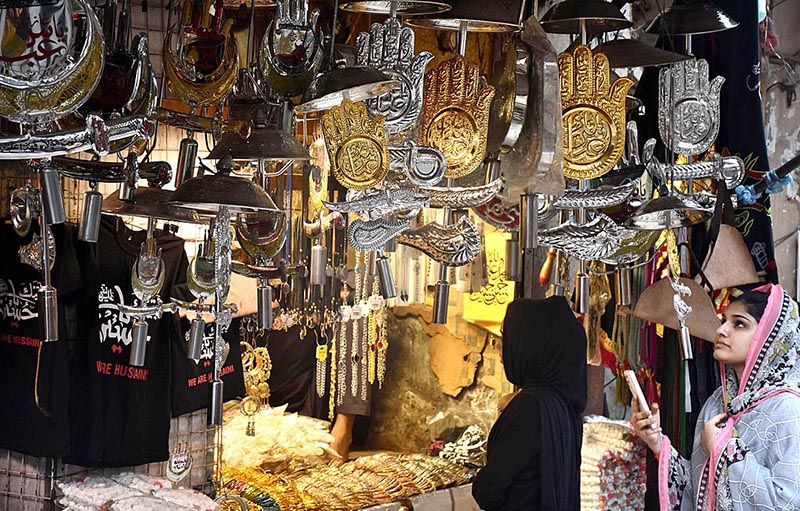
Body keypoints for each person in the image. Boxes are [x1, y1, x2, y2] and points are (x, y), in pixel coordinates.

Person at [632, 284, 800, 510]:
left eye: (739, 324)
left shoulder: (787, 409)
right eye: (724, 321)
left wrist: (725, 448)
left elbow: (787, 503)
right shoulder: (718, 402)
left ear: (768, 337)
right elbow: (698, 492)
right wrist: (657, 443)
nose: (721, 330)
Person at [472, 296, 587, 511]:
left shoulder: (529, 407)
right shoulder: (564, 402)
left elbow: (487, 492)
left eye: (505, 337)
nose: (498, 346)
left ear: (530, 345)